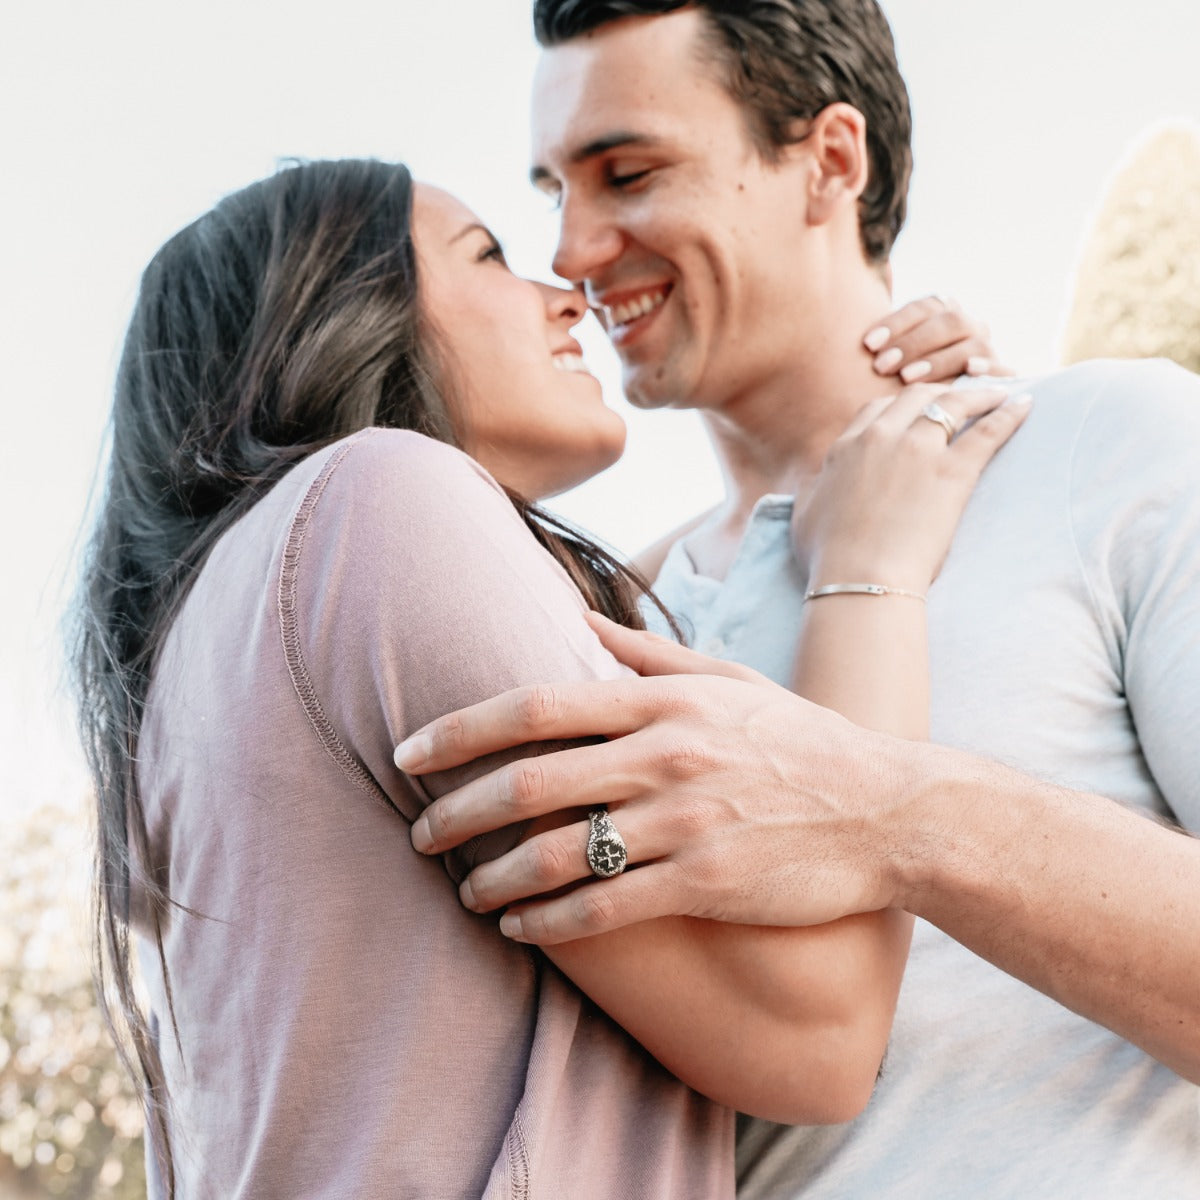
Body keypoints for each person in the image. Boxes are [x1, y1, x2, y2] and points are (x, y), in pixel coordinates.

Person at [71, 157, 1012, 1197]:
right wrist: (867, 568)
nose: (568, 296)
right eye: (489, 255)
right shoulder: (374, 503)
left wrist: (860, 430)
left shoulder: (209, 650)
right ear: (340, 314)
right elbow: (816, 1031)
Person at [393, 3, 1200, 1197]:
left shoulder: (1106, 445)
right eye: (554, 189)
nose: (569, 249)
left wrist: (891, 815)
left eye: (628, 172)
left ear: (829, 160)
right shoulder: (610, 609)